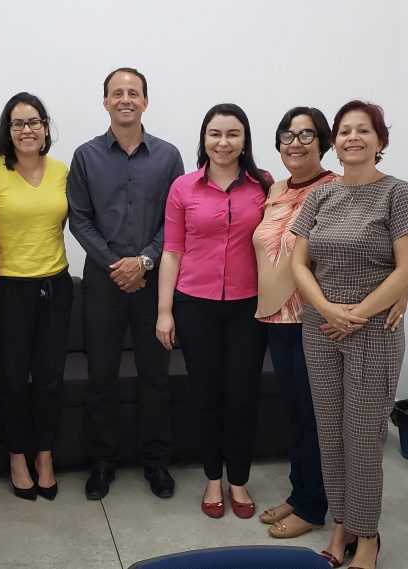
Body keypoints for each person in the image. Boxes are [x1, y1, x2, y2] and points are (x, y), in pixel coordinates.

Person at [256, 108, 408, 540]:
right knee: (312, 423)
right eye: (287, 134)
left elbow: (397, 264)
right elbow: (295, 259)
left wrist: (375, 306)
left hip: (344, 325)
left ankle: (343, 522)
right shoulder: (290, 191)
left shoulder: (371, 190)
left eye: (307, 134)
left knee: (346, 432)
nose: (295, 142)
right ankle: (319, 507)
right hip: (294, 320)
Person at [290, 100, 408, 569]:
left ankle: (367, 536)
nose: (352, 138)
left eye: (363, 130)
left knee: (364, 438)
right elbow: (298, 263)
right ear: (334, 142)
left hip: (374, 331)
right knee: (330, 433)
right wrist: (327, 309)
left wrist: (357, 314)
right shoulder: (321, 196)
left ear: (379, 141)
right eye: (344, 131)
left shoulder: (396, 193)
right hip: (320, 326)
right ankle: (341, 523)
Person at [68, 67, 185, 501]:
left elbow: (176, 220)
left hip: (155, 282)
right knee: (102, 377)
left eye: (133, 92)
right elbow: (78, 218)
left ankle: (156, 463)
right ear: (105, 102)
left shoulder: (169, 156)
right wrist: (118, 264)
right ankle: (102, 462)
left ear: (145, 102)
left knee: (156, 375)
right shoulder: (86, 156)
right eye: (117, 93)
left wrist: (145, 261)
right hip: (102, 284)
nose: (125, 99)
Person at [155, 103, 270, 520]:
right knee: (207, 396)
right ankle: (211, 480)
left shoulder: (265, 186)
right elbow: (172, 251)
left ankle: (238, 480)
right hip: (195, 304)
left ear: (245, 140)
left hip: (249, 307)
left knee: (242, 396)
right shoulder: (183, 187)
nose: (223, 142)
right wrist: (164, 311)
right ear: (204, 138)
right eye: (215, 134)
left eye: (233, 134)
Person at [0, 92, 71, 501]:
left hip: (56, 286)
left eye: (34, 122)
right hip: (8, 289)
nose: (27, 130)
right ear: (6, 131)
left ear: (46, 127)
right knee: (12, 380)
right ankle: (16, 457)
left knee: (49, 380)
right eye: (18, 124)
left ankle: (45, 457)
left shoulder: (63, 171)